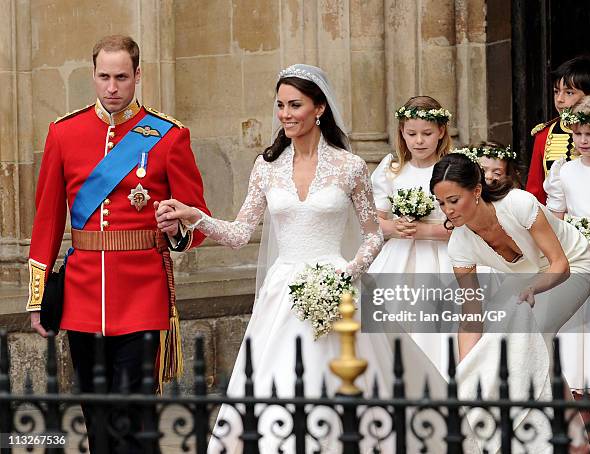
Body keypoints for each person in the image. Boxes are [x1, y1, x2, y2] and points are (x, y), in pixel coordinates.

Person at [156, 64, 448, 453]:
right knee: (277, 384)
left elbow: (373, 235)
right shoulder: (267, 167)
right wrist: (198, 218)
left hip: (339, 289)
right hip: (283, 292)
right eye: (280, 105)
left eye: (295, 105)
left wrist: (346, 274)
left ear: (319, 109)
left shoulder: (349, 166)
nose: (286, 114)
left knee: (346, 387)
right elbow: (241, 232)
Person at [26, 35, 209, 452]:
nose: (112, 87)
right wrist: (37, 297)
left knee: (134, 415)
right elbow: (48, 220)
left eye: (122, 77)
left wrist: (175, 224)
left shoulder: (168, 136)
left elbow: (197, 219)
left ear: (138, 75)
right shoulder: (63, 133)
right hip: (83, 295)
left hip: (142, 295)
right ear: (93, 75)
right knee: (96, 416)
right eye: (104, 76)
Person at [430, 153, 590, 452]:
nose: (448, 210)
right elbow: (471, 315)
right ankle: (574, 439)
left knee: (529, 331)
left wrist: (535, 286)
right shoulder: (459, 245)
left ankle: (564, 437)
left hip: (572, 267)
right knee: (511, 335)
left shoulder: (518, 203)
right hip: (524, 282)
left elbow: (560, 264)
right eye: (441, 203)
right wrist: (467, 371)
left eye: (454, 200)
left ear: (477, 190)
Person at [544, 94, 590, 453]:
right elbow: (555, 216)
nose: (584, 140)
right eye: (578, 133)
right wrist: (568, 242)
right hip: (576, 262)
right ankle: (580, 419)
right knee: (576, 335)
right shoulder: (565, 171)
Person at [367, 96, 452, 374]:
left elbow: (464, 224)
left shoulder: (453, 168)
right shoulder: (392, 170)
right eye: (411, 133)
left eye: (427, 133)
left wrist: (425, 230)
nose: (419, 141)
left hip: (443, 258)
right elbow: (374, 222)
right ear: (401, 133)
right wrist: (394, 227)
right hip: (399, 258)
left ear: (441, 131)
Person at [526, 56, 590, 204]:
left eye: (569, 92)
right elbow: (535, 192)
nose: (559, 99)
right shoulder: (544, 135)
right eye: (557, 91)